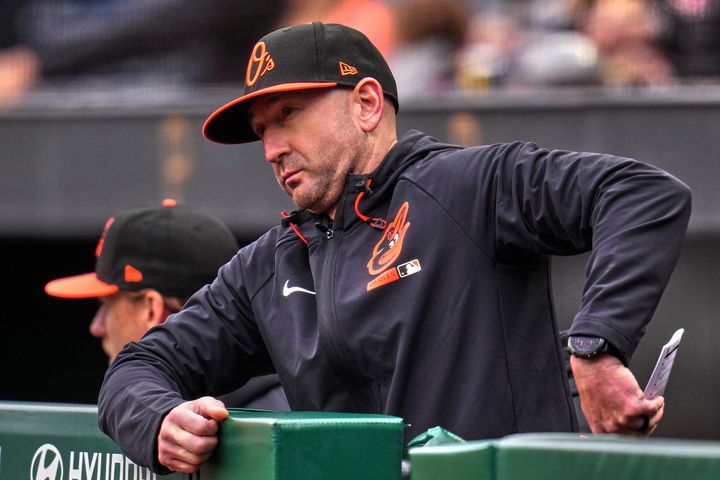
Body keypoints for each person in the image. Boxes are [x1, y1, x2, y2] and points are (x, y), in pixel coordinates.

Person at [97, 23, 691, 474]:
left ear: (366, 104)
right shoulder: (271, 262)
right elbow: (137, 369)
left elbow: (641, 194)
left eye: (288, 115)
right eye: (261, 132)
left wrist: (596, 347)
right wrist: (160, 423)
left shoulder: (468, 186)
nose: (272, 147)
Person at [46, 199, 289, 411]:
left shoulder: (269, 414)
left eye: (107, 305)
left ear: (151, 308)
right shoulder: (154, 420)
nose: (97, 327)